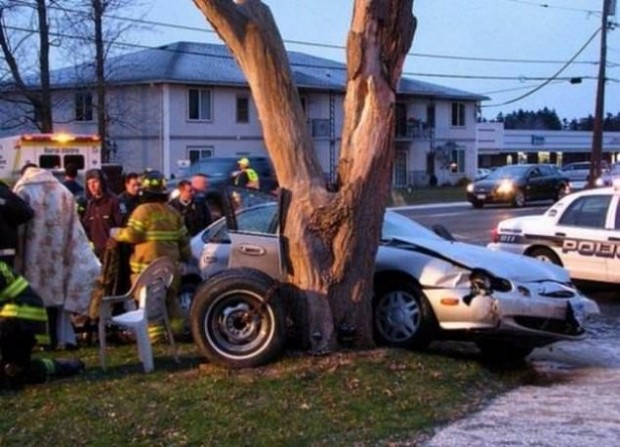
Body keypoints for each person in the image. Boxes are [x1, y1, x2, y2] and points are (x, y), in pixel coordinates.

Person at [12, 164, 100, 350]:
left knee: (32, 296)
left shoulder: (23, 189)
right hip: (58, 254)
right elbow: (73, 228)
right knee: (55, 295)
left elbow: (17, 225)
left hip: (32, 254)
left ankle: (38, 340)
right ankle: (57, 337)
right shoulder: (62, 191)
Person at [110, 170, 191, 341]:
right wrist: (186, 259)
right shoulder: (173, 212)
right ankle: (177, 332)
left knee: (148, 302)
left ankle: (154, 337)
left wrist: (116, 233)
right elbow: (184, 240)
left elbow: (133, 235)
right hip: (170, 270)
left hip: (147, 270)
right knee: (170, 300)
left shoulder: (142, 211)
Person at [0, 260, 84, 391]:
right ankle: (59, 366)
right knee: (19, 371)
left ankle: (62, 367)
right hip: (20, 319)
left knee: (13, 375)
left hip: (20, 320)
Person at [82, 169, 123, 260]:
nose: (92, 186)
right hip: (95, 254)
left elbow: (121, 226)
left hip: (112, 254)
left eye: (95, 182)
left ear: (102, 183)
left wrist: (114, 242)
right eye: (89, 183)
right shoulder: (90, 205)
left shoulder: (114, 202)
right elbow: (86, 227)